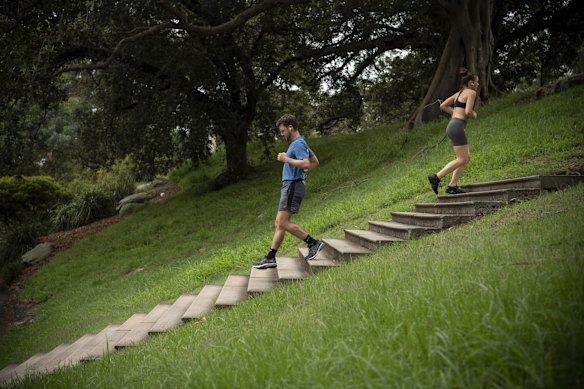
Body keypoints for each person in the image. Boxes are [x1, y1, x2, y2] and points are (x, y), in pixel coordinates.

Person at [253, 114, 325, 269]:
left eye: (283, 130)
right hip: (292, 184)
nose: (282, 134)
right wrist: (302, 173)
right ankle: (271, 257)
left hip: (293, 185)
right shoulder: (299, 143)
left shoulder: (298, 144)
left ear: (290, 128)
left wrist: (287, 160)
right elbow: (315, 162)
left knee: (282, 222)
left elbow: (306, 163)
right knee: (279, 224)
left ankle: (313, 243)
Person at [428, 69, 479, 195]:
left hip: (453, 125)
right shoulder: (471, 93)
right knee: (462, 159)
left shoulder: (458, 94)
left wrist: (456, 113)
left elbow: (443, 106)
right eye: (476, 82)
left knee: (465, 158)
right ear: (471, 83)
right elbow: (467, 111)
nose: (477, 84)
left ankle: (452, 186)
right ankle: (436, 177)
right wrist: (474, 114)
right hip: (457, 126)